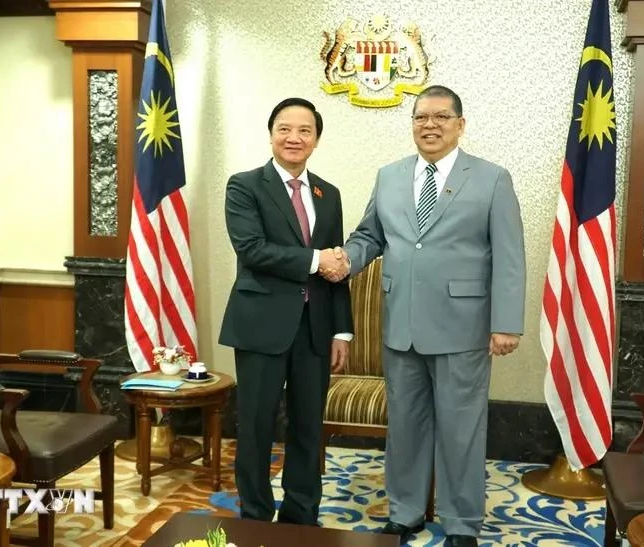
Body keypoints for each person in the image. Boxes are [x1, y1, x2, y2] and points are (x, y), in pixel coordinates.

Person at [323, 85, 525, 547]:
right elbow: (369, 235)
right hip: (402, 326)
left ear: (460, 124)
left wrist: (506, 322)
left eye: (440, 117)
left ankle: (460, 522)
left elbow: (509, 255)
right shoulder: (390, 176)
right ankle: (405, 512)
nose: (429, 125)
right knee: (406, 428)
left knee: (461, 430)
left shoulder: (492, 178)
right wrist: (346, 259)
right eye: (420, 117)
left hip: (464, 327)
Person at [218, 97, 353, 526]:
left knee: (308, 428)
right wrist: (315, 261)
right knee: (256, 428)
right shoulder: (244, 186)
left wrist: (342, 331)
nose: (294, 138)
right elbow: (253, 250)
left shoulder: (327, 194)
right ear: (271, 133)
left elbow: (338, 269)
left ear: (316, 140)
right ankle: (255, 515)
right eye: (285, 129)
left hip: (314, 330)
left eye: (304, 131)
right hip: (261, 326)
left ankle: (301, 516)